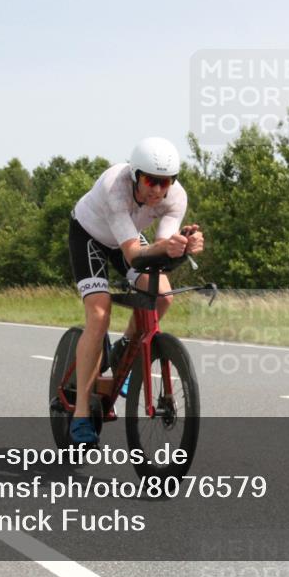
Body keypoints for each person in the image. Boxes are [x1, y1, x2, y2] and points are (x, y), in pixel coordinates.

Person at [67, 137, 204, 446]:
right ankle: (80, 415)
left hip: (126, 240)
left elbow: (162, 248)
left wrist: (183, 245)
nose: (157, 190)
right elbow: (132, 255)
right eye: (150, 181)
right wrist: (167, 248)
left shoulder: (176, 197)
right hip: (90, 236)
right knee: (100, 313)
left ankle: (125, 347)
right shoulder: (113, 187)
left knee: (163, 296)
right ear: (134, 176)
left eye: (164, 181)